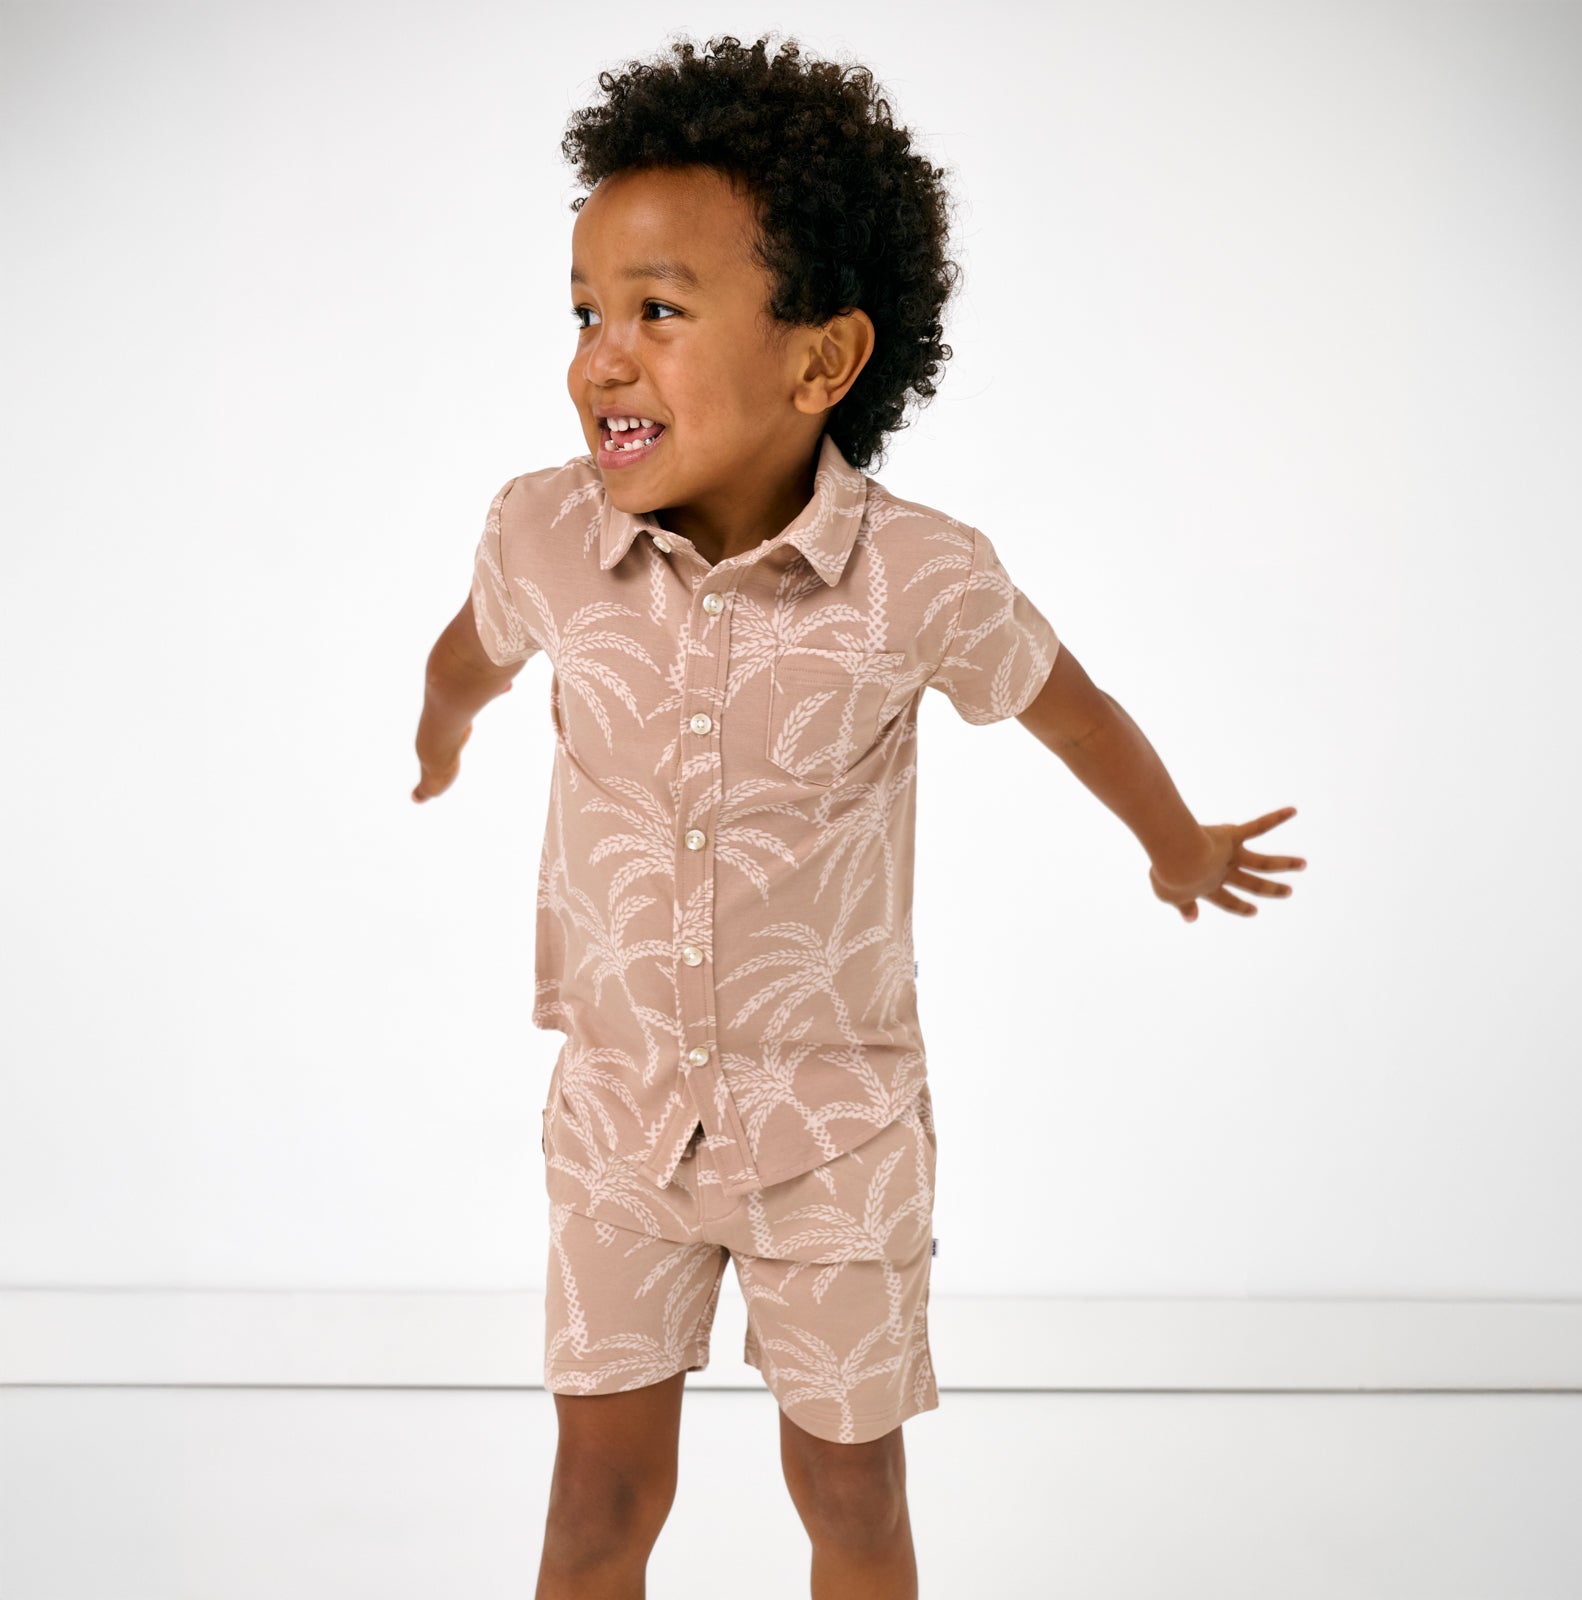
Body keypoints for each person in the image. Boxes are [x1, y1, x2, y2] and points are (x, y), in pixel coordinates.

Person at [412, 31, 1306, 1600]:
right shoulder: (544, 531)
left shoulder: (921, 578)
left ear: (821, 361)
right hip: (622, 1118)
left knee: (854, 1499)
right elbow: (467, 649)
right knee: (597, 1508)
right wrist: (445, 730)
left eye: (659, 313)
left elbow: (1068, 705)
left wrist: (1174, 842)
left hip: (836, 1131)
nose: (599, 356)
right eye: (586, 311)